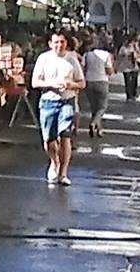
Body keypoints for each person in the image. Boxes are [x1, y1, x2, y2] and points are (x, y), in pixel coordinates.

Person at [31, 31, 84, 186]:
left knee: (65, 136)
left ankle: (63, 173)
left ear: (66, 43)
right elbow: (35, 82)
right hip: (48, 101)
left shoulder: (72, 60)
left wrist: (70, 85)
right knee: (49, 140)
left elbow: (82, 83)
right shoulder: (44, 59)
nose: (59, 45)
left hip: (67, 101)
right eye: (56, 42)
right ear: (50, 44)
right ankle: (54, 162)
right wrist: (51, 84)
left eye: (62, 42)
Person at [81, 35, 114, 138]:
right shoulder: (106, 55)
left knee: (94, 108)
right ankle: (94, 123)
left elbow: (83, 68)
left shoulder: (86, 55)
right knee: (102, 107)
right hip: (102, 81)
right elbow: (109, 70)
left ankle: (99, 130)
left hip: (89, 81)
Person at [116, 35, 140, 102]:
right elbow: (119, 56)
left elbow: (139, 54)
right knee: (127, 82)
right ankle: (129, 96)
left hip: (134, 66)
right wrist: (117, 65)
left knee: (134, 81)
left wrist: (136, 54)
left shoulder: (135, 47)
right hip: (126, 67)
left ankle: (134, 93)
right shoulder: (123, 48)